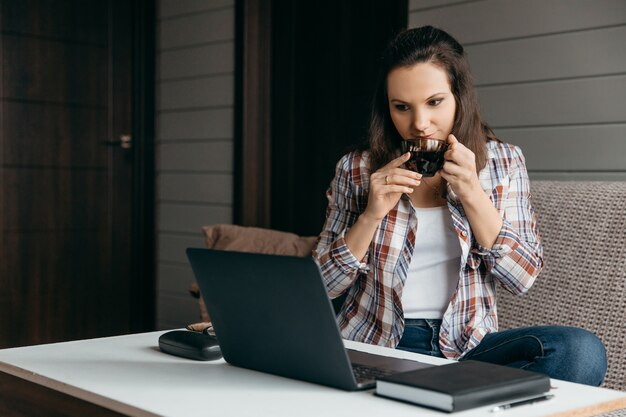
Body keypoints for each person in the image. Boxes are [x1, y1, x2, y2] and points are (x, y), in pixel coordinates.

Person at [313, 25, 606, 386]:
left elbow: (522, 277)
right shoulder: (358, 169)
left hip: (467, 349)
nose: (419, 124)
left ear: (459, 97)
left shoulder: (503, 162)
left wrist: (472, 193)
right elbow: (323, 286)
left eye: (434, 102)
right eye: (401, 107)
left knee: (580, 351)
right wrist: (371, 214)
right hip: (377, 346)